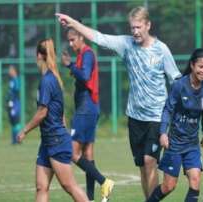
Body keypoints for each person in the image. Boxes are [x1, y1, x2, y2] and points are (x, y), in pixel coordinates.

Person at [56, 6, 181, 199]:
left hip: (157, 116)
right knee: (142, 166)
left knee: (150, 162)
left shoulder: (161, 49)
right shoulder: (126, 44)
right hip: (135, 117)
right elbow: (98, 37)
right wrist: (73, 23)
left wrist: (178, 110)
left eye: (139, 27)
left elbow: (176, 79)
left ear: (148, 25)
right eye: (132, 28)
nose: (135, 31)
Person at [17, 38, 89, 202]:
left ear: (38, 56)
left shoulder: (47, 80)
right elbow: (59, 110)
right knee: (41, 187)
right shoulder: (50, 78)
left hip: (56, 140)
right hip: (48, 141)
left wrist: (24, 130)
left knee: (69, 186)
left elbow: (42, 112)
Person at [146, 48, 203, 202]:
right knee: (169, 186)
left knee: (195, 181)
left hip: (192, 144)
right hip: (174, 143)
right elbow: (168, 109)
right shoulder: (179, 85)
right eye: (200, 67)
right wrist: (163, 133)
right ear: (192, 66)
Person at [61, 27, 114, 202]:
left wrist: (70, 66)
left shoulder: (87, 54)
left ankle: (104, 181)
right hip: (88, 108)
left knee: (72, 152)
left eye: (72, 39)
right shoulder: (82, 55)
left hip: (86, 109)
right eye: (68, 40)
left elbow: (84, 75)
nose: (70, 43)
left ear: (81, 38)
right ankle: (90, 199)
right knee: (88, 155)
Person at [6, 65, 21, 144]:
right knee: (13, 122)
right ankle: (14, 140)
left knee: (16, 121)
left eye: (10, 70)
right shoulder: (11, 80)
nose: (9, 72)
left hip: (15, 104)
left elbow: (17, 91)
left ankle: (17, 139)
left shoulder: (16, 80)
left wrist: (11, 100)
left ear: (14, 71)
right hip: (11, 103)